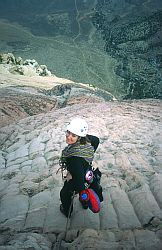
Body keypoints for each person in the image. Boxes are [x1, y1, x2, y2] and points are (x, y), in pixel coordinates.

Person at [59, 117, 103, 218]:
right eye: (68, 132)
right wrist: (88, 158)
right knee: (85, 191)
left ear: (79, 137)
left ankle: (67, 212)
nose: (69, 137)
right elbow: (96, 140)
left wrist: (70, 175)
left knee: (64, 194)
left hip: (79, 176)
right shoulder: (87, 141)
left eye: (73, 135)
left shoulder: (73, 158)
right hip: (88, 172)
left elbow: (79, 182)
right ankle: (84, 204)